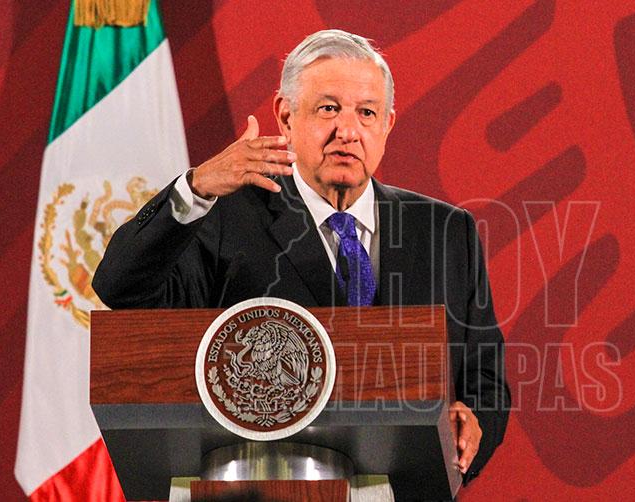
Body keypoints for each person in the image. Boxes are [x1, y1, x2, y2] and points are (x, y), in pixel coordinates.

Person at [92, 29, 510, 484]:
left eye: (366, 113)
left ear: (387, 124)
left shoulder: (446, 231)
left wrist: (473, 424)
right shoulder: (226, 216)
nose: (347, 131)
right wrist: (195, 188)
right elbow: (121, 288)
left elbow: (485, 380)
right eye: (328, 108)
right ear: (286, 116)